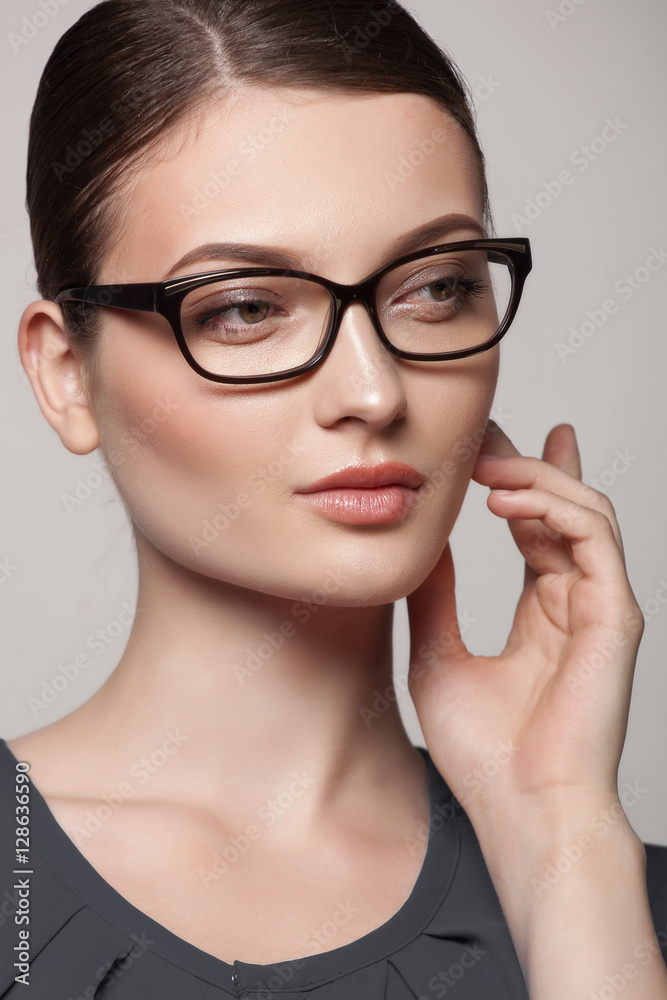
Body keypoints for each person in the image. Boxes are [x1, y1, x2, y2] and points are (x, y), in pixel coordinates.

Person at [1, 1, 666, 997]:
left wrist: (561, 831)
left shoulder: (616, 899)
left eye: (436, 287)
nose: (373, 391)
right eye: (244, 308)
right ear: (65, 374)